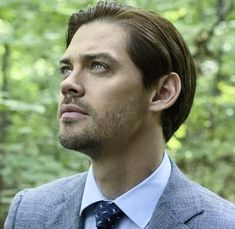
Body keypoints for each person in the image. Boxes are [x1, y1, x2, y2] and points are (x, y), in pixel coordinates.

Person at [4, 1, 235, 229]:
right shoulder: (28, 213)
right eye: (66, 69)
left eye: (98, 66)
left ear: (162, 92)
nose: (68, 84)